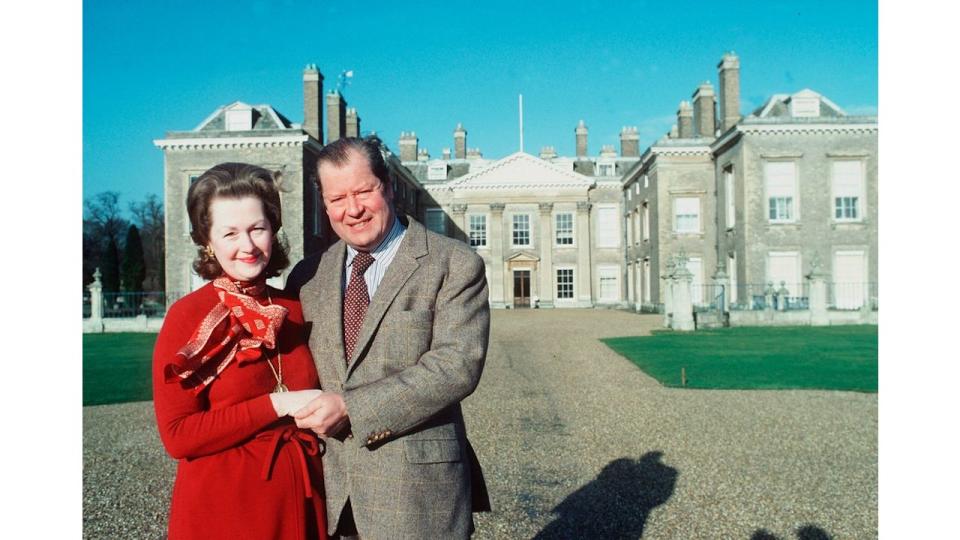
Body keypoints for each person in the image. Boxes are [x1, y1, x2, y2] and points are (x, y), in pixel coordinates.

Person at [287, 135, 491, 539]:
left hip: (416, 491)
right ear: (324, 204)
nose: (353, 209)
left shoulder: (453, 263)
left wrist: (350, 407)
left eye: (364, 191)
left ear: (389, 187)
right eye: (337, 198)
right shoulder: (306, 277)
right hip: (329, 490)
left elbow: (456, 366)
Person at [152, 163, 329, 540]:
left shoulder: (297, 307)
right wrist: (277, 405)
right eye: (229, 233)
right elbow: (178, 435)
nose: (246, 246)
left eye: (257, 229)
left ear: (274, 230)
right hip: (225, 512)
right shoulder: (187, 317)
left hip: (301, 503)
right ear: (207, 240)